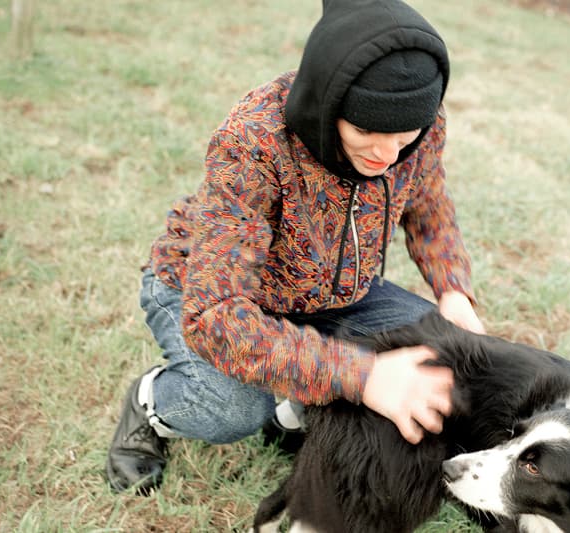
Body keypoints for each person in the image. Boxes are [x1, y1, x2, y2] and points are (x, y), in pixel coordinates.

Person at [106, 0, 484, 495]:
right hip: (208, 293)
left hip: (335, 295)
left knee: (442, 353)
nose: (387, 154)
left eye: (403, 136)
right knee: (233, 408)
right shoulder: (253, 142)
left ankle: (292, 411)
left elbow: (429, 204)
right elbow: (214, 315)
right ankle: (153, 402)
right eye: (366, 131)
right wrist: (362, 375)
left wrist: (453, 290)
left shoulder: (422, 124)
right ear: (328, 104)